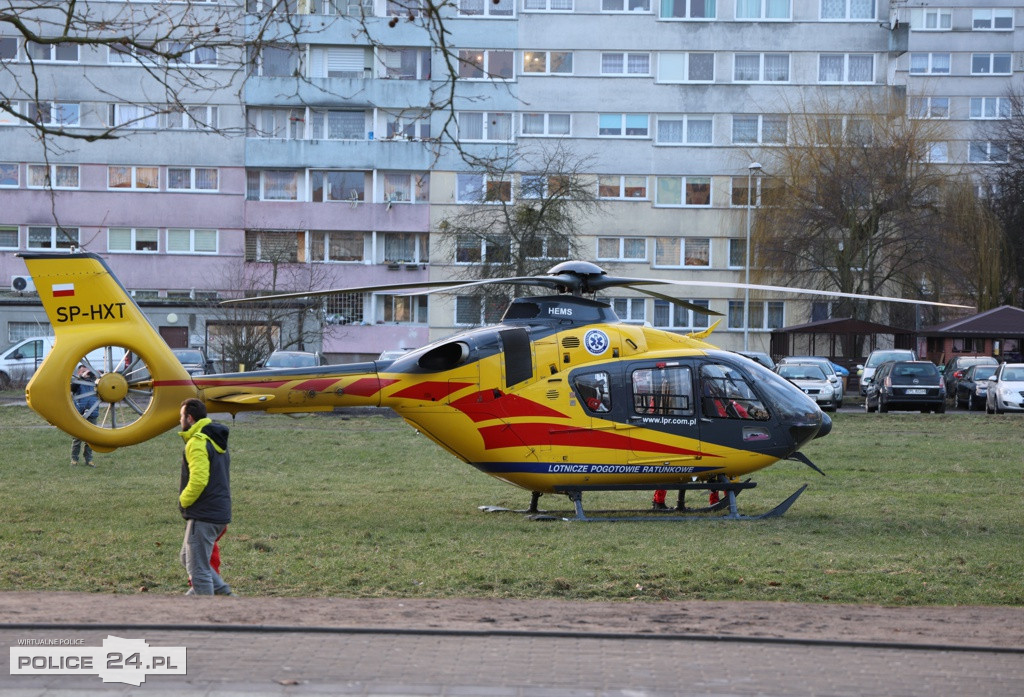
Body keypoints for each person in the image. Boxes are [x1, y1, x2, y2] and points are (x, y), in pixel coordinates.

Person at [178, 397, 234, 596]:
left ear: (190, 418)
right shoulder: (214, 438)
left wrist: (183, 501)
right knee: (187, 558)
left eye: (181, 417)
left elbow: (199, 480)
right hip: (219, 511)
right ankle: (224, 595)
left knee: (198, 570)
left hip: (204, 514)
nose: (180, 421)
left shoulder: (197, 442)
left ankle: (206, 616)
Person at [70, 365, 99, 467]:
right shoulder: (77, 383)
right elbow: (72, 388)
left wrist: (99, 375)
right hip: (80, 414)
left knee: (91, 439)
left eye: (88, 371)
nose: (87, 373)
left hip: (93, 412)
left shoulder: (95, 383)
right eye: (84, 371)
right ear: (79, 373)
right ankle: (74, 459)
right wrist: (82, 377)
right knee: (77, 439)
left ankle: (89, 459)